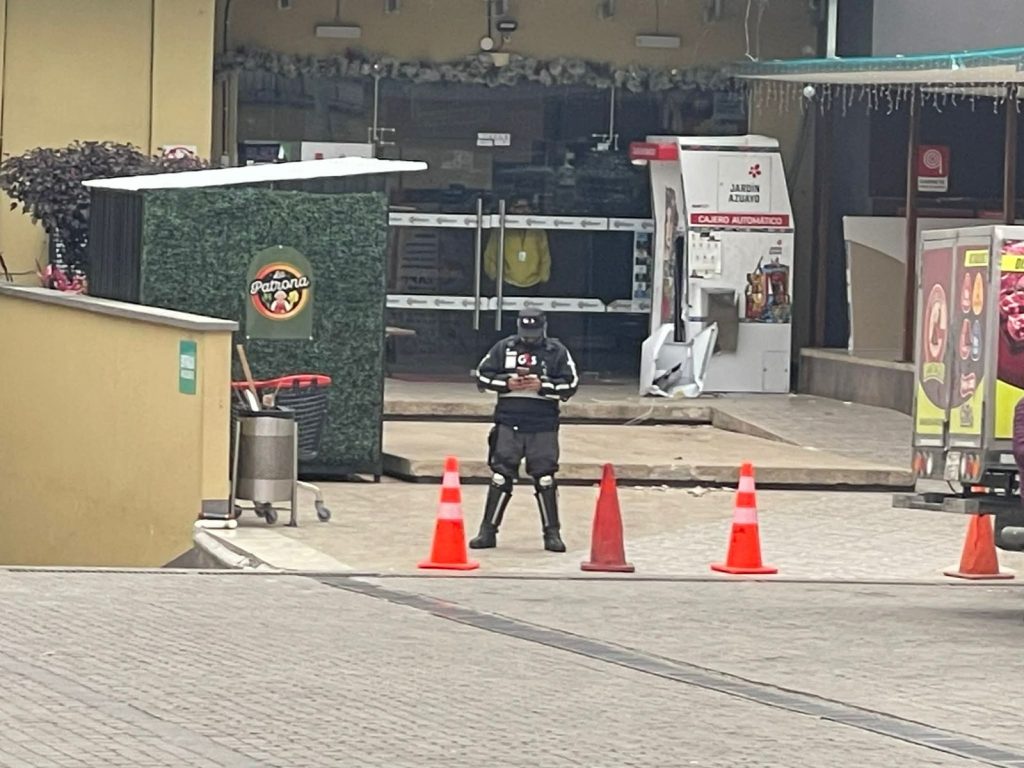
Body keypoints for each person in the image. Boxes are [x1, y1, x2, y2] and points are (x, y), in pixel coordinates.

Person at [470, 308, 579, 552]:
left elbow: (571, 384)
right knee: (500, 475)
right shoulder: (504, 347)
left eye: (534, 333)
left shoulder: (556, 351)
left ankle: (552, 534)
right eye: (525, 332)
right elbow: (482, 375)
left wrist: (543, 385)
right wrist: (507, 383)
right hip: (509, 420)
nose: (529, 338)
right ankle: (487, 532)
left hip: (542, 424)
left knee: (545, 477)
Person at [483, 197, 551, 295]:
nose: (524, 210)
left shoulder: (538, 230)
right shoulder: (501, 230)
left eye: (527, 207)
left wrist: (544, 277)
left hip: (534, 283)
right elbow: (491, 254)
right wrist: (494, 276)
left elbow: (545, 256)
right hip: (507, 282)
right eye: (519, 207)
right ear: (511, 209)